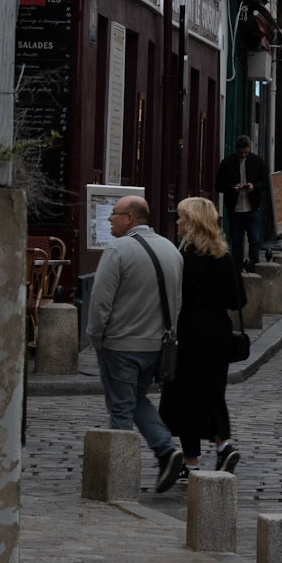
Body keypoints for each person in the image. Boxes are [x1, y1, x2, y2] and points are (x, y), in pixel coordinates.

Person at [87, 194, 185, 492]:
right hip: (155, 344)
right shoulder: (171, 249)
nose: (109, 218)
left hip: (120, 344)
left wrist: (95, 336)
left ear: (130, 218)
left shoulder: (117, 250)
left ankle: (119, 479)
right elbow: (177, 301)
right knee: (137, 399)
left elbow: (100, 300)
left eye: (114, 213)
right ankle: (166, 450)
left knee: (120, 408)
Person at [159, 196, 247, 477]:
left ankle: (191, 462)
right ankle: (224, 446)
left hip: (189, 331)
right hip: (218, 331)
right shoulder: (225, 256)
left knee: (185, 395)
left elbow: (173, 297)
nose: (177, 222)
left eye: (181, 217)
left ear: (193, 222)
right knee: (211, 391)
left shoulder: (183, 257)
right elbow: (238, 300)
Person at [215, 134, 272, 271]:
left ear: (250, 148)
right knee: (236, 242)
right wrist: (233, 188)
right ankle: (237, 270)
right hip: (235, 209)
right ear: (236, 149)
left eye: (246, 152)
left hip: (252, 208)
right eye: (241, 153)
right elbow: (219, 185)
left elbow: (265, 182)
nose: (243, 155)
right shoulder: (227, 163)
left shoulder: (257, 161)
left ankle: (254, 268)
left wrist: (254, 187)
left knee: (254, 239)